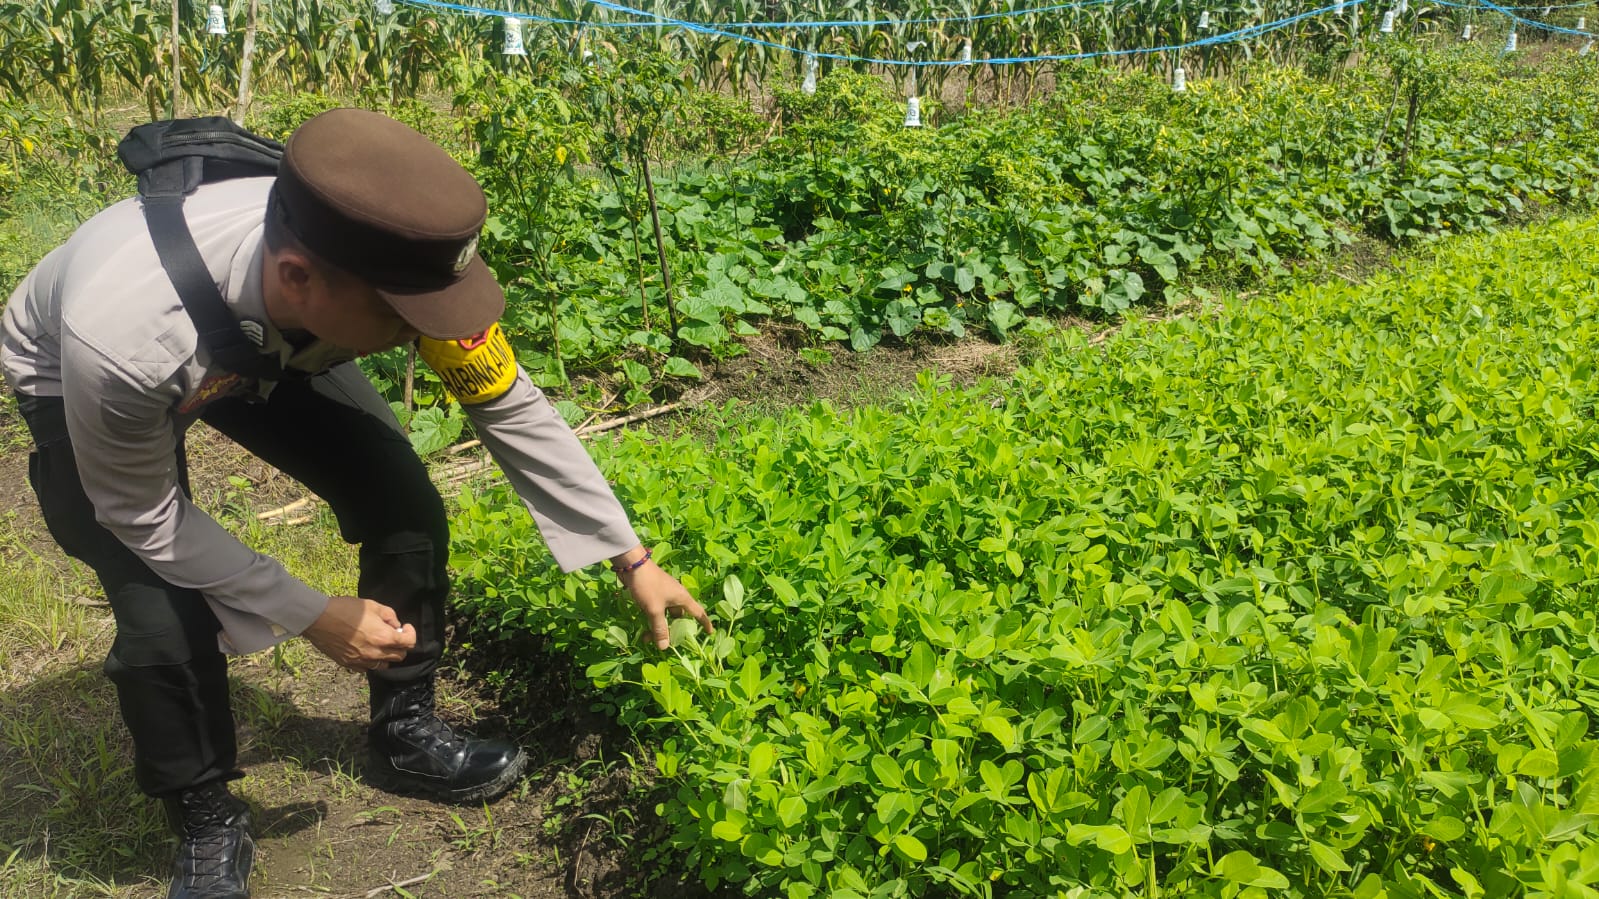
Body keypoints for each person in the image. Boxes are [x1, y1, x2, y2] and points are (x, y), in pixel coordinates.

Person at [0, 108, 713, 899]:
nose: (423, 335)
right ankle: (203, 813)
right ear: (301, 277)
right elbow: (140, 513)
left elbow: (506, 402)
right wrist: (308, 610)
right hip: (87, 367)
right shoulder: (125, 336)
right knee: (158, 600)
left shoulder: (392, 262)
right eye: (404, 322)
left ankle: (404, 728)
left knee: (398, 495)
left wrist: (630, 557)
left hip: (276, 334)